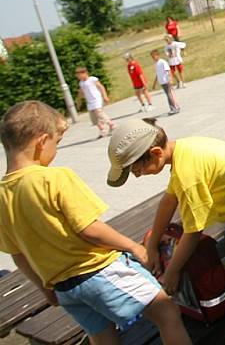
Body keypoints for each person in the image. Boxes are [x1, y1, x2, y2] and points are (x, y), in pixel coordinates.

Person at [0, 101, 190, 345]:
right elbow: (90, 229)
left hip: (64, 288)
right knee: (167, 314)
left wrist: (46, 289)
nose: (55, 151)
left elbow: (18, 255)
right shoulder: (53, 178)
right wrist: (134, 247)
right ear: (41, 142)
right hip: (97, 271)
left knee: (102, 336)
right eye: (56, 143)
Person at [106, 118, 225, 345]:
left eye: (136, 168)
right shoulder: (183, 150)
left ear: (155, 152)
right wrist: (152, 242)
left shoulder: (187, 174)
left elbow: (194, 230)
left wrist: (172, 271)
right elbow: (169, 200)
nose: (136, 175)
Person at [75, 66, 115, 138]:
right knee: (94, 118)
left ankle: (111, 125)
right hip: (90, 102)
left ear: (84, 73)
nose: (78, 77)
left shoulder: (92, 79)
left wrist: (105, 96)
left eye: (79, 75)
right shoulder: (81, 83)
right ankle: (102, 130)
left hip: (97, 99)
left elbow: (101, 87)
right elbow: (81, 92)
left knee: (99, 113)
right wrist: (79, 101)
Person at [150, 50, 180, 115]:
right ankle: (176, 107)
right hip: (162, 82)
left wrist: (171, 79)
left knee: (169, 94)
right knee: (169, 94)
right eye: (152, 57)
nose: (153, 58)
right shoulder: (156, 64)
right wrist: (154, 83)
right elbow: (157, 74)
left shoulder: (163, 62)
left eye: (154, 56)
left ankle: (173, 109)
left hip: (166, 81)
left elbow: (168, 71)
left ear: (157, 55)